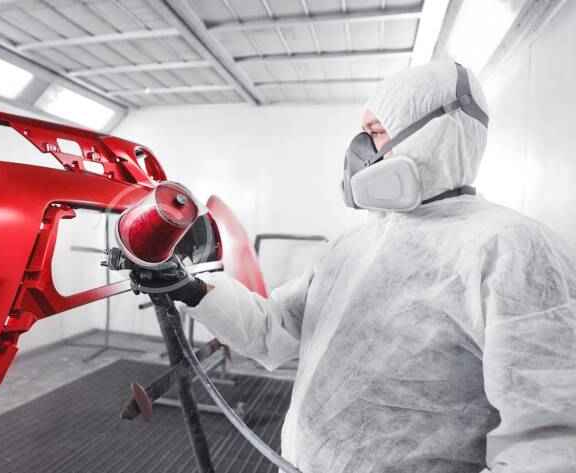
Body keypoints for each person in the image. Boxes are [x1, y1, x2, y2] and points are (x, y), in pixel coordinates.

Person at [172, 60, 576, 472]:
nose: (360, 152)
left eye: (376, 132)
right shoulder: (352, 246)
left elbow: (551, 445)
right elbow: (271, 330)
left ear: (437, 135)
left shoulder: (512, 250)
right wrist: (189, 287)